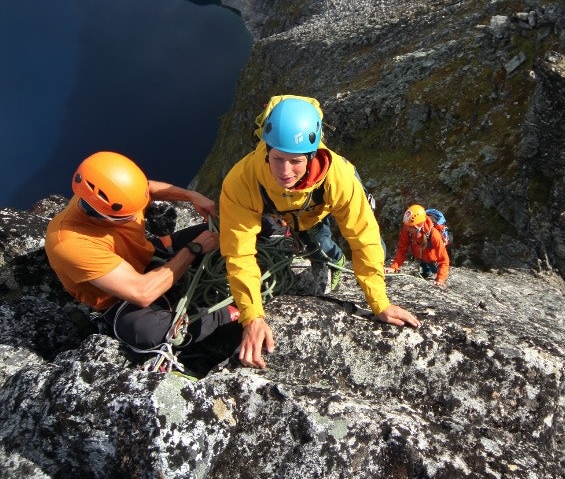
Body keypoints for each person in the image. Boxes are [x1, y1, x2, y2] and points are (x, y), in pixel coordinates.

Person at [219, 95, 421, 367]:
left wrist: (379, 303)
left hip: (317, 202)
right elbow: (239, 254)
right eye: (277, 159)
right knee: (312, 238)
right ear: (266, 149)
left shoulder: (338, 177)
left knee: (340, 243)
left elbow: (363, 238)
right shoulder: (242, 181)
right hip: (290, 212)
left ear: (312, 156)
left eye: (295, 161)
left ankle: (333, 260)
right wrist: (252, 315)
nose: (285, 171)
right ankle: (323, 257)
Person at [45, 150, 238, 354]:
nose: (135, 216)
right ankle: (226, 314)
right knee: (145, 332)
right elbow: (142, 293)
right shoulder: (69, 243)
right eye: (125, 217)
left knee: (231, 226)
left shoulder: (113, 195)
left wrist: (191, 195)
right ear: (99, 215)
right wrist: (194, 249)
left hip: (151, 255)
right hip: (121, 298)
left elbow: (148, 189)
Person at [386, 204, 450, 286]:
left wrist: (440, 279)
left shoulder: (434, 235)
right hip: (421, 260)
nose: (407, 228)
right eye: (407, 226)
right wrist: (394, 267)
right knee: (425, 272)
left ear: (418, 226)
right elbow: (402, 249)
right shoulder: (407, 230)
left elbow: (444, 259)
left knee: (431, 272)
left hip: (434, 262)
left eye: (410, 227)